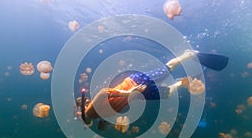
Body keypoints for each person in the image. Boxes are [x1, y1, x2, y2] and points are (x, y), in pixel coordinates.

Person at [76, 49, 229, 130]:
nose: (84, 121)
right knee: (167, 93)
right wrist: (107, 123)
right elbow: (112, 107)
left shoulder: (90, 111)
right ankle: (181, 83)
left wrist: (129, 92)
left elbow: (104, 92)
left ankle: (188, 54)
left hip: (134, 83)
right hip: (139, 93)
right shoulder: (100, 114)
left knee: (165, 71)